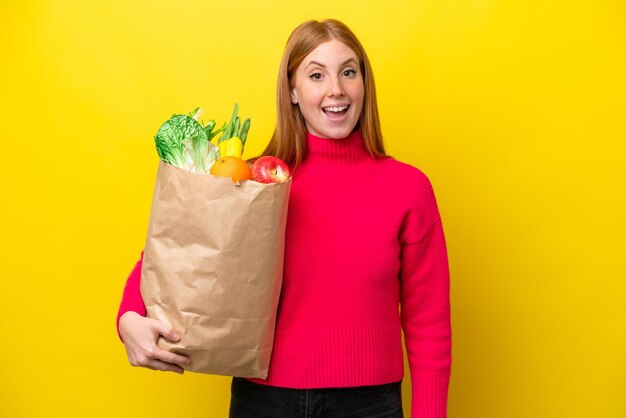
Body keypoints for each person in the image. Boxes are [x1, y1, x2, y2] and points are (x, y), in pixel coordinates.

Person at [116, 19, 452, 418]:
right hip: (264, 402)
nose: (336, 90)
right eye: (316, 75)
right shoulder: (253, 181)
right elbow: (175, 256)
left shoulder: (407, 188)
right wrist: (128, 318)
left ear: (364, 83)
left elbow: (428, 321)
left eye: (348, 71)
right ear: (292, 90)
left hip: (370, 405)